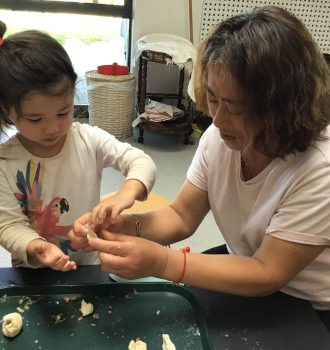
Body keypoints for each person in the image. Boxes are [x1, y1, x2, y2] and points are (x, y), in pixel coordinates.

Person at [69, 6, 330, 329]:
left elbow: (268, 273)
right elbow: (181, 216)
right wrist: (126, 226)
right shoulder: (220, 138)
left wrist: (162, 261)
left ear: (281, 107)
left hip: (307, 303)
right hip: (247, 262)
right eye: (213, 98)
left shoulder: (319, 168)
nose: (217, 120)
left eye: (233, 106)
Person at [0, 21, 156, 272]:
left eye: (63, 112)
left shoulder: (88, 140)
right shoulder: (5, 161)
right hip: (32, 275)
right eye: (35, 119)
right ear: (7, 111)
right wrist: (36, 246)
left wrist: (125, 193)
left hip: (91, 264)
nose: (52, 128)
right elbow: (7, 225)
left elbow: (141, 162)